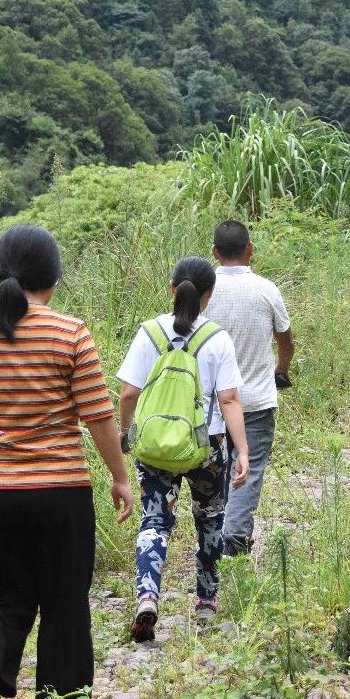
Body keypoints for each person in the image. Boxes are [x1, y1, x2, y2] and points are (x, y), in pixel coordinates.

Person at [0, 224, 134, 699]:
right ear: (54, 276)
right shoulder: (70, 333)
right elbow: (98, 415)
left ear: (0, 271)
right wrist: (119, 476)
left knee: (7, 596)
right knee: (64, 602)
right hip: (61, 492)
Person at [117, 257, 250, 640]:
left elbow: (128, 393)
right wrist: (242, 451)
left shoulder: (148, 333)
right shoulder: (217, 338)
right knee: (210, 519)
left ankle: (147, 594)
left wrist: (126, 433)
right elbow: (228, 400)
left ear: (172, 289)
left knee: (154, 521)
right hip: (207, 446)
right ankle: (206, 601)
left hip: (155, 446)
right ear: (209, 295)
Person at [203, 220, 295, 556]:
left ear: (214, 252)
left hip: (210, 403)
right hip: (254, 400)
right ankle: (235, 539)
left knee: (215, 470)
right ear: (250, 249)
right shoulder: (267, 290)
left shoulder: (204, 290)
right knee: (248, 468)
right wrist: (281, 370)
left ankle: (213, 536)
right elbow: (286, 342)